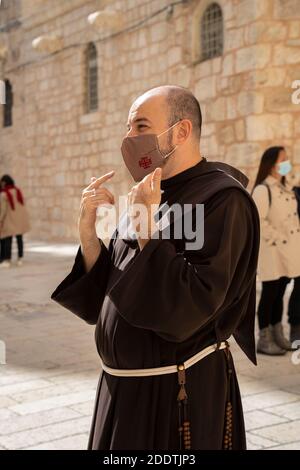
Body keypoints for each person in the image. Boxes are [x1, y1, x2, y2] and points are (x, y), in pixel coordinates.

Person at [51, 85, 260, 450]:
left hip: (176, 394)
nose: (129, 138)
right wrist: (88, 233)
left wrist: (147, 223)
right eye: (128, 128)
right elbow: (111, 287)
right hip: (120, 389)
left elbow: (191, 304)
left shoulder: (223, 200)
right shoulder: (147, 194)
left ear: (181, 131)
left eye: (140, 126)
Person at [252, 147, 300, 354]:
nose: (287, 162)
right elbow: (258, 221)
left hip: (287, 252)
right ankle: (263, 338)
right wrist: (279, 237)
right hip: (272, 251)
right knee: (270, 293)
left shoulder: (284, 188)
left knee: (280, 293)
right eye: (284, 159)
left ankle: (277, 332)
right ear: (272, 164)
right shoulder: (263, 190)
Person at [0, 174, 30, 268]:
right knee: (19, 239)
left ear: (4, 182)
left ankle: (7, 261)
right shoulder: (17, 191)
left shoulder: (4, 194)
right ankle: (20, 258)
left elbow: (3, 210)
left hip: (9, 220)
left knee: (8, 239)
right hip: (19, 220)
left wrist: (0, 220)